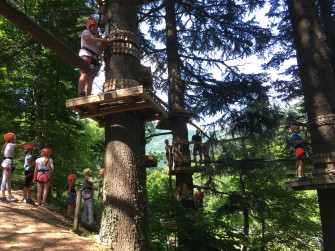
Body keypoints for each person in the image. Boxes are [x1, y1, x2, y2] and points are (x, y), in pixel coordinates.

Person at [1, 133, 35, 203]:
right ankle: (2, 196)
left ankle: (9, 195)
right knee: (5, 179)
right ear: (11, 139)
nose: (15, 138)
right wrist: (30, 143)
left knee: (8, 180)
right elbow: (21, 145)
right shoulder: (10, 144)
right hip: (7, 163)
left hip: (9, 163)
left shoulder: (9, 145)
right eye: (14, 137)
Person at [78, 19, 108, 97]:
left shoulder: (94, 39)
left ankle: (88, 96)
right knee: (85, 73)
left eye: (97, 27)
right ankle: (80, 93)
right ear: (89, 27)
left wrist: (102, 46)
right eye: (94, 26)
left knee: (90, 77)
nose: (96, 28)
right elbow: (87, 39)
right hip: (86, 55)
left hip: (93, 58)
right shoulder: (86, 32)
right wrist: (101, 39)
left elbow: (98, 53)